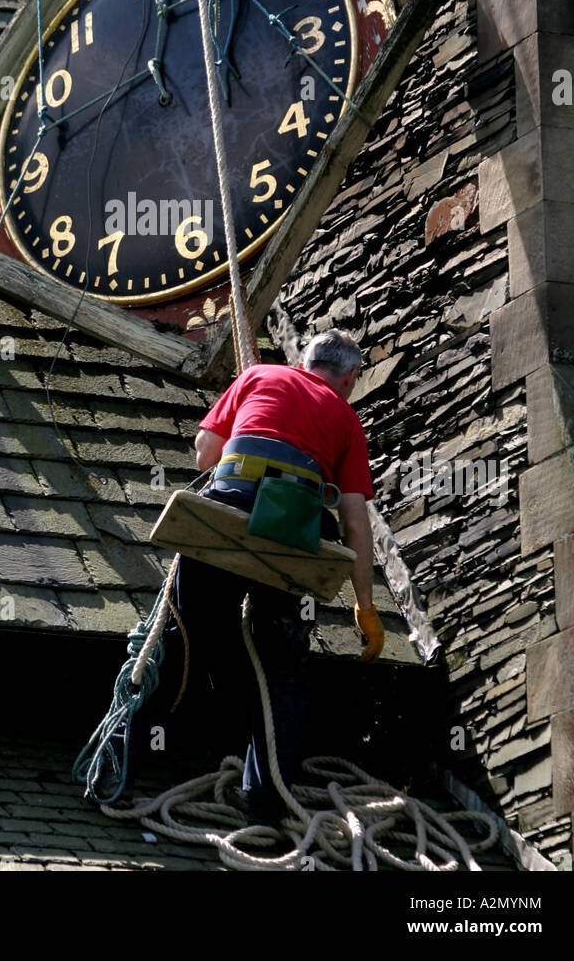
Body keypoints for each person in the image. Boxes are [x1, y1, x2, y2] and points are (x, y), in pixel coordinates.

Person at [162, 328, 384, 826]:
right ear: (349, 378)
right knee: (280, 668)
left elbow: (204, 455)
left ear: (307, 361)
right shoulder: (346, 417)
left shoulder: (258, 375)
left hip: (225, 515)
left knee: (189, 631)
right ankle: (264, 802)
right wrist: (365, 607)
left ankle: (132, 752)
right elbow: (353, 521)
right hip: (289, 530)